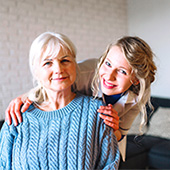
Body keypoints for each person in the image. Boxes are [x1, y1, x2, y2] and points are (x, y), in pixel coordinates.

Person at [5, 36, 157, 161]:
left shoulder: (138, 97)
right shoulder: (83, 72)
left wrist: (114, 128)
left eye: (122, 72)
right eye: (108, 64)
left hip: (108, 146)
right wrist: (25, 97)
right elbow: (53, 82)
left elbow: (121, 134)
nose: (109, 76)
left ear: (136, 79)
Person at [0, 32, 120, 169]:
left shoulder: (97, 111)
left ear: (75, 65)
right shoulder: (17, 116)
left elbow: (110, 165)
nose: (58, 69)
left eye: (65, 61)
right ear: (36, 71)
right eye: (48, 63)